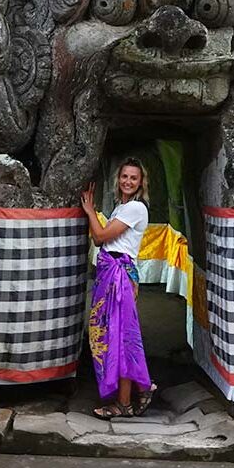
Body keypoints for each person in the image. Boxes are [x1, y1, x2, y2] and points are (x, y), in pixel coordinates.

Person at [81, 157, 156, 419]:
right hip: (112, 274)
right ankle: (138, 389)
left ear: (140, 182)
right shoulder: (120, 208)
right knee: (112, 336)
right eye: (124, 176)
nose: (128, 181)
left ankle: (125, 402)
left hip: (119, 277)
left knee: (120, 339)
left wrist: (90, 211)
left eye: (133, 178)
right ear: (118, 179)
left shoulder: (135, 208)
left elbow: (100, 237)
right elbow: (100, 237)